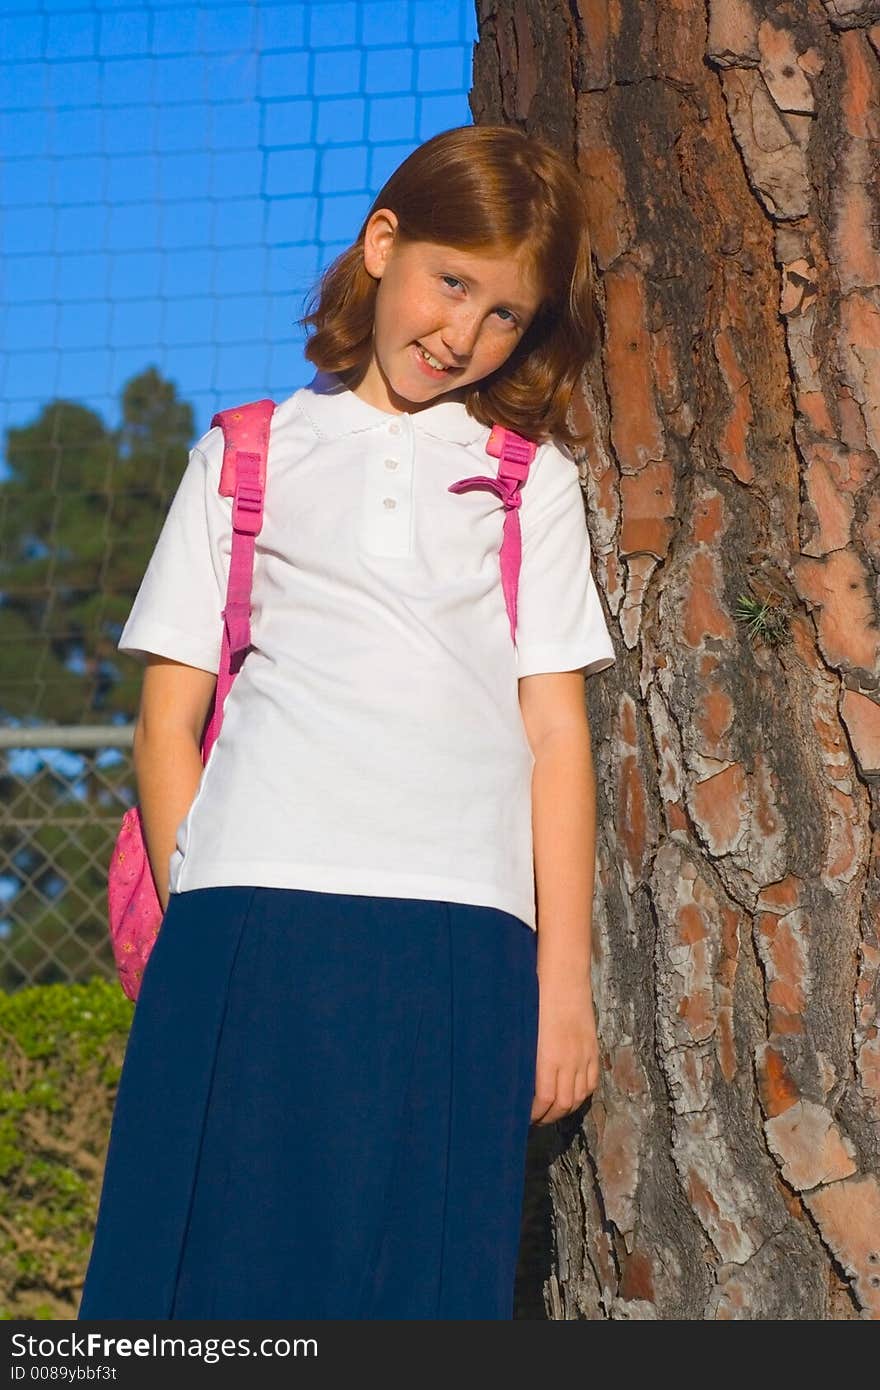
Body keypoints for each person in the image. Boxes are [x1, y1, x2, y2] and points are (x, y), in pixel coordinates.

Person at [77, 124, 617, 1322]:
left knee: (416, 1284)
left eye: (503, 315)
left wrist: (562, 980)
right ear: (383, 245)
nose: (461, 333)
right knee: (202, 1287)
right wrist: (192, 918)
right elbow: (167, 722)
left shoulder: (534, 484)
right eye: (450, 281)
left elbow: (556, 735)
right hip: (244, 920)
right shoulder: (246, 454)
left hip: (462, 938)